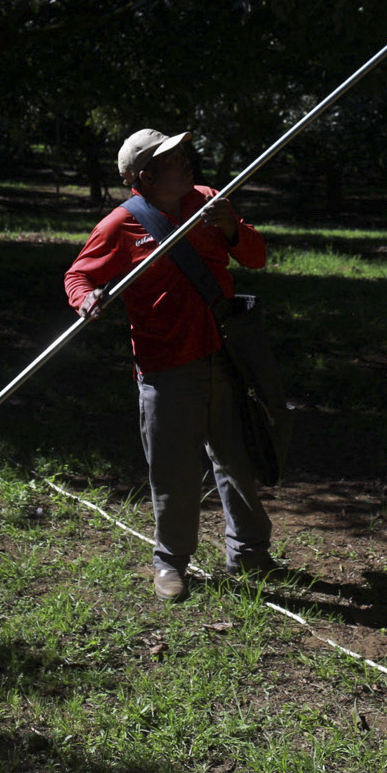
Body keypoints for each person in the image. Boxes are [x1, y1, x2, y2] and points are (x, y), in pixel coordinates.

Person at [64, 128, 275, 602]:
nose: (185, 160)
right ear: (145, 175)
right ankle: (170, 564)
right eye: (171, 158)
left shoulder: (208, 200)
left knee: (237, 459)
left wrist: (229, 227)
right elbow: (79, 274)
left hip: (225, 354)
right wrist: (87, 298)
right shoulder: (120, 225)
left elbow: (256, 257)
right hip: (165, 364)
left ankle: (250, 552)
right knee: (175, 471)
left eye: (182, 152)